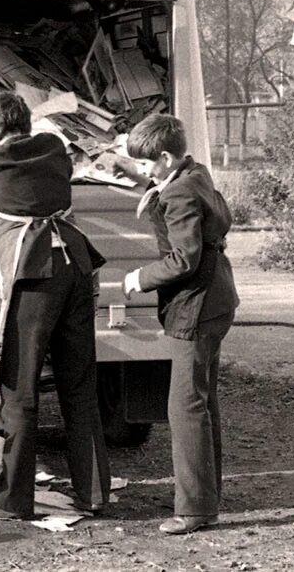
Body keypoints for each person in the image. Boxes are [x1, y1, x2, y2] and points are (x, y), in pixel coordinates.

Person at [0, 91, 110, 519]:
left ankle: (14, 502)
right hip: (77, 267)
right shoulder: (55, 148)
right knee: (79, 386)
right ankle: (94, 494)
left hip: (33, 272)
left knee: (19, 390)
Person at [117, 114, 239, 535]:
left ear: (166, 157)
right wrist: (135, 171)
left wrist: (139, 278)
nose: (145, 171)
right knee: (202, 404)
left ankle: (194, 509)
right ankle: (208, 497)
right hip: (216, 298)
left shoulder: (180, 194)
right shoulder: (195, 173)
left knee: (184, 407)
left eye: (149, 164)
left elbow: (183, 258)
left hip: (196, 304)